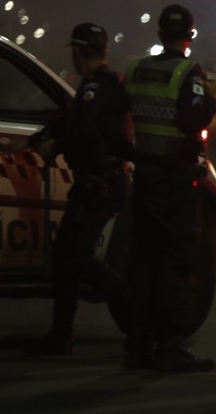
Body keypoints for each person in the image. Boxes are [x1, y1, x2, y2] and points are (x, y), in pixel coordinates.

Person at [12, 22, 133, 355]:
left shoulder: (95, 88)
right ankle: (60, 335)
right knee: (64, 259)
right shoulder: (104, 86)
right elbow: (73, 123)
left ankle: (135, 310)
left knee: (76, 258)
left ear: (79, 52)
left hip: (100, 184)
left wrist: (56, 148)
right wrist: (35, 141)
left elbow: (84, 134)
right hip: (99, 183)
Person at [123, 4, 216, 371]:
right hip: (176, 180)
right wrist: (212, 95)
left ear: (160, 34)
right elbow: (195, 116)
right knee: (176, 261)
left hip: (145, 175)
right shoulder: (188, 73)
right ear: (190, 36)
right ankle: (170, 347)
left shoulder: (136, 69)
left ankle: (136, 346)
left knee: (143, 260)